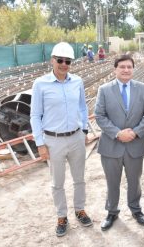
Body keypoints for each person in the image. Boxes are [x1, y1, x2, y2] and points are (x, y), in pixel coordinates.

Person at [30, 42, 92, 237]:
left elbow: (83, 107)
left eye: (68, 61)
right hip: (53, 140)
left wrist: (83, 130)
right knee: (57, 182)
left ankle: (79, 210)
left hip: (75, 138)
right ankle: (61, 216)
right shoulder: (40, 84)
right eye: (60, 60)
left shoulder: (77, 82)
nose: (64, 64)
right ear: (52, 61)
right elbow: (35, 115)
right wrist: (40, 143)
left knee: (79, 179)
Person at [94, 54, 144, 231]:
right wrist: (118, 133)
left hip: (135, 144)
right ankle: (112, 211)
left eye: (129, 67)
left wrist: (135, 132)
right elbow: (99, 115)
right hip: (111, 145)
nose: (126, 70)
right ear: (115, 69)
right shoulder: (104, 90)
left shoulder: (143, 89)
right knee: (112, 181)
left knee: (134, 181)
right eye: (122, 67)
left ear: (133, 69)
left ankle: (136, 210)